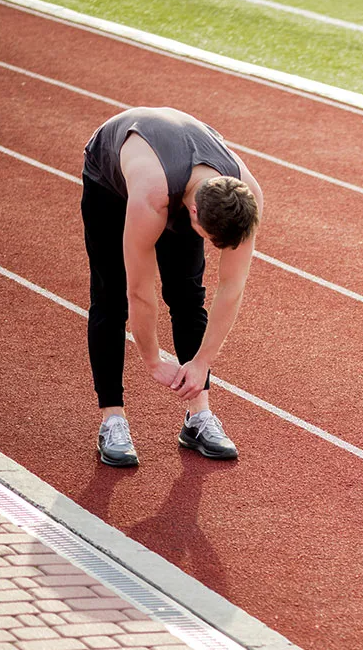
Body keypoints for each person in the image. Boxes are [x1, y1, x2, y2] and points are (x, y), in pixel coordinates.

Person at [81, 107, 263, 467]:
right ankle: (112, 420)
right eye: (209, 240)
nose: (212, 247)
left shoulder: (246, 196)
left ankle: (198, 418)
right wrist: (152, 359)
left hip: (178, 175)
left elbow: (232, 286)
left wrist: (202, 362)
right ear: (193, 213)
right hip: (111, 180)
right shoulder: (151, 194)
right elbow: (140, 291)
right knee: (111, 295)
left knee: (187, 295)